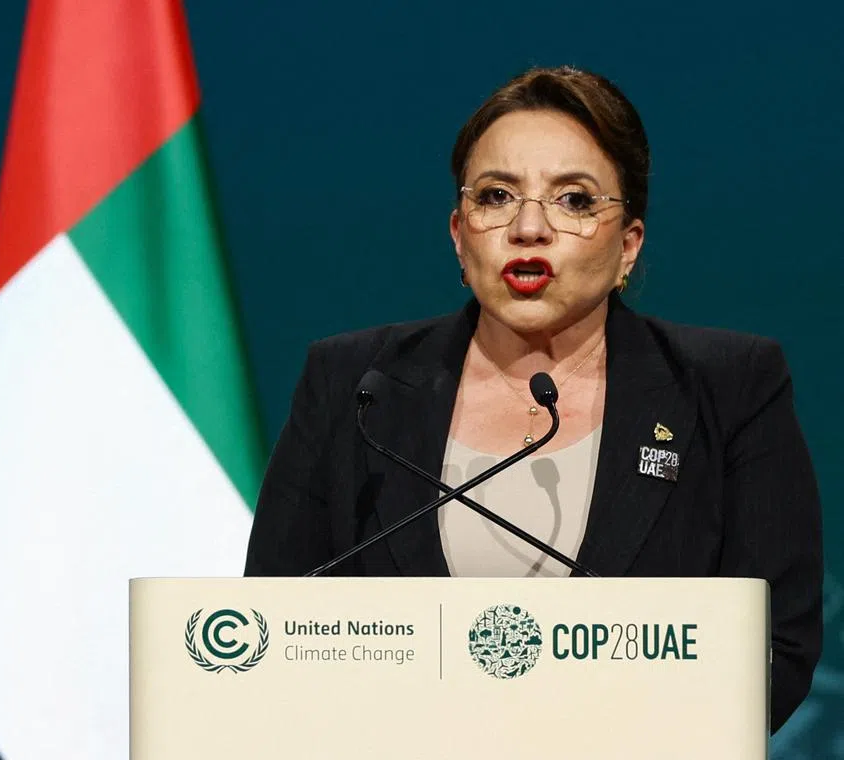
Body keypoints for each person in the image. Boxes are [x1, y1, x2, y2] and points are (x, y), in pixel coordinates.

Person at [243, 66, 822, 733]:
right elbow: (276, 622)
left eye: (574, 200)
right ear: (459, 235)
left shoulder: (729, 385)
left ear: (628, 245)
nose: (528, 228)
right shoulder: (353, 383)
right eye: (496, 196)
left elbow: (776, 649)